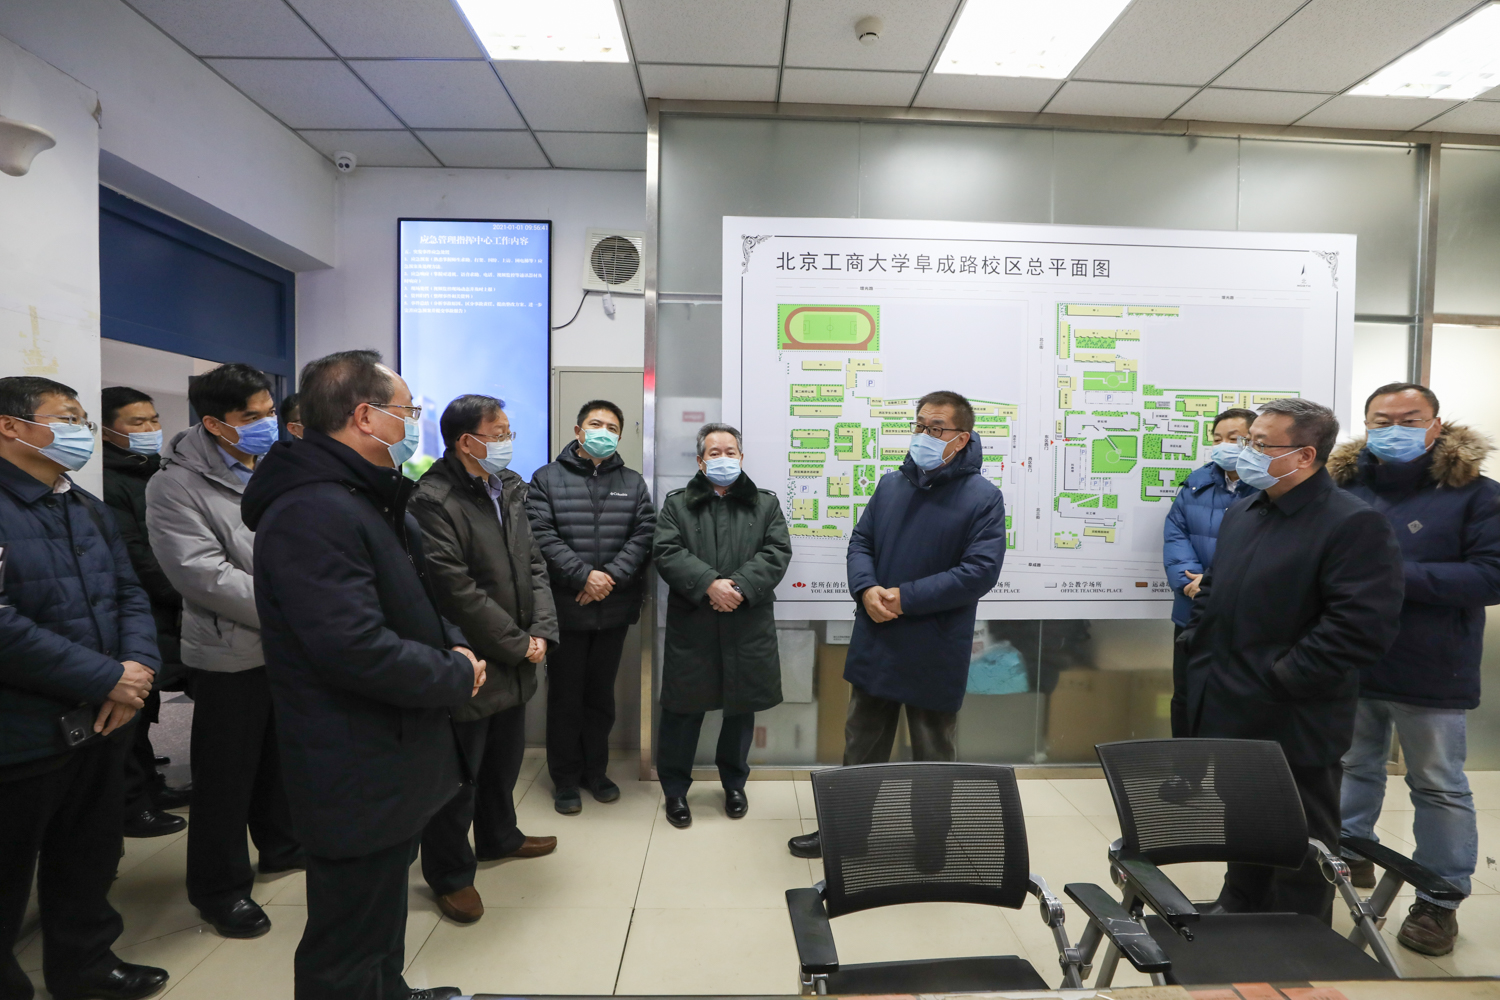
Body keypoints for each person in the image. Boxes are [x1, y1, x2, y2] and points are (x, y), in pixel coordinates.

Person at [241, 351, 481, 1000]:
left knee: (380, 913)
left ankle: (389, 990)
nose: (413, 422)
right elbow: (352, 648)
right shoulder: (313, 511)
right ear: (366, 417)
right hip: (353, 758)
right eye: (407, 411)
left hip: (389, 749)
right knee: (346, 937)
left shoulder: (364, 497)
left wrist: (454, 647)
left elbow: (416, 599)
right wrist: (453, 673)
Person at [1180, 397, 1404, 923]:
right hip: (1229, 703)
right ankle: (1240, 906)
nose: (1246, 452)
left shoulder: (1352, 523)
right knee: (1242, 819)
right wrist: (1196, 644)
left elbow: (1359, 627)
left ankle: (1300, 938)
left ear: (1304, 455)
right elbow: (1214, 590)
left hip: (1294, 713)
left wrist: (1280, 680)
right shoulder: (1245, 511)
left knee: (1300, 839)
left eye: (1260, 445)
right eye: (1247, 441)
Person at [0, 376, 170, 1000]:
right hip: (20, 728)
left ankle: (87, 967)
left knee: (89, 855)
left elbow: (128, 592)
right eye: (66, 418)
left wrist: (136, 672)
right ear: (10, 427)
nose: (81, 431)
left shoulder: (85, 505)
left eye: (82, 419)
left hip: (101, 717)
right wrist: (108, 677)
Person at [788, 390, 1006, 860]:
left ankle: (931, 843)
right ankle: (846, 835)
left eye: (936, 428)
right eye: (920, 425)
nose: (924, 435)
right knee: (860, 743)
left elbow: (979, 572)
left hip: (935, 645)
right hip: (879, 635)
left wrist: (905, 598)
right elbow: (860, 542)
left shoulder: (983, 498)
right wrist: (866, 588)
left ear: (961, 438)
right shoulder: (891, 485)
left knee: (932, 752)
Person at [1328, 382, 1500, 956]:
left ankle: (1438, 899)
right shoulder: (1343, 488)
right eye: (1381, 421)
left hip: (1433, 665)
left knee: (1437, 783)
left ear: (1436, 425)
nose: (1394, 430)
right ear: (1366, 424)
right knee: (1352, 765)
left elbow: (1490, 576)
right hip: (1351, 656)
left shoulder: (1477, 495)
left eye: (1409, 419)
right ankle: (1349, 856)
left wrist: (1393, 575)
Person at [145, 364, 301, 940]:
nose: (266, 424)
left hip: (290, 644)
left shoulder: (275, 461)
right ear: (214, 423)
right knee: (225, 777)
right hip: (230, 648)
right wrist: (297, 606)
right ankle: (220, 889)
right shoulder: (175, 485)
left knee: (280, 759)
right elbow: (202, 573)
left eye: (269, 412)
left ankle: (283, 847)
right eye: (251, 416)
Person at [410, 395, 560, 926]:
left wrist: (541, 630)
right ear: (465, 441)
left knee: (504, 759)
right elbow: (455, 590)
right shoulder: (433, 500)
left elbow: (534, 563)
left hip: (518, 647)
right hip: (473, 655)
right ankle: (450, 874)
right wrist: (516, 642)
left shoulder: (509, 486)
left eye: (508, 432)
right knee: (460, 775)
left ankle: (500, 836)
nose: (506, 441)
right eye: (497, 434)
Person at [652, 422, 791, 828]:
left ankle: (734, 784)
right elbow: (666, 550)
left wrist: (740, 587)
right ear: (701, 461)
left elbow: (777, 551)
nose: (724, 458)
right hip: (694, 623)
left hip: (746, 622)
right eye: (715, 453)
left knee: (740, 708)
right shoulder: (677, 504)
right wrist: (710, 584)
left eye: (731, 452)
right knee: (683, 709)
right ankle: (675, 790)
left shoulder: (765, 504)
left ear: (742, 457)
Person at [527, 399, 656, 814]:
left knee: (600, 697)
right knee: (565, 697)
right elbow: (540, 534)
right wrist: (583, 576)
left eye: (612, 427)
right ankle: (565, 778)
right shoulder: (547, 478)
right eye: (596, 424)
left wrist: (607, 579)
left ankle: (596, 772)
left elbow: (643, 534)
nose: (604, 432)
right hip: (565, 609)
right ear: (578, 430)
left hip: (613, 609)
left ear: (620, 435)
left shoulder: (632, 482)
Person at [100, 386, 190, 836]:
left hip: (170, 608)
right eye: (137, 422)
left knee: (149, 705)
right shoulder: (106, 481)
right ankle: (133, 805)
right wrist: (186, 592)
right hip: (144, 609)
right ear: (107, 430)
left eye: (154, 420)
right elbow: (136, 554)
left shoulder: (158, 472)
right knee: (131, 710)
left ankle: (150, 788)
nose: (151, 429)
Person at [1161, 407, 1259, 737]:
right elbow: (1176, 534)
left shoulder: (1268, 487)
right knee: (1186, 695)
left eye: (1234, 438)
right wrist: (1189, 580)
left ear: (1254, 441)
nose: (1223, 445)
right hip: (1192, 609)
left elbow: (1268, 548)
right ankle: (1185, 764)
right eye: (1217, 439)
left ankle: (1230, 766)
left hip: (1243, 612)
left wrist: (1215, 581)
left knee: (1235, 697)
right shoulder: (1195, 485)